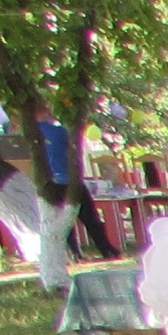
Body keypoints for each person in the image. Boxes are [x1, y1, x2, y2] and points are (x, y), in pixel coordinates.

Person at [33, 101, 119, 259]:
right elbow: (74, 149)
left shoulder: (28, 134)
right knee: (90, 217)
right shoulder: (58, 131)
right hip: (67, 179)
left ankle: (73, 252)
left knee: (61, 219)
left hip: (46, 183)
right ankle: (106, 249)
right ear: (44, 112)